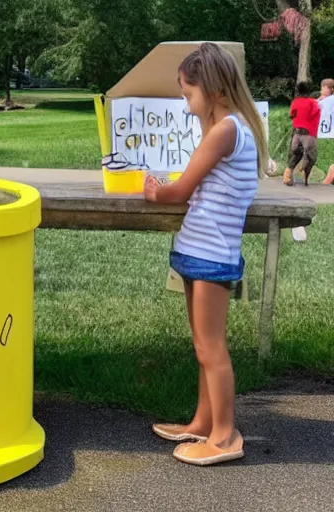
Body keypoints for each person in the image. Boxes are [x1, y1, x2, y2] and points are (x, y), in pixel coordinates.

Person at [144, 43, 268, 466]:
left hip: (212, 255)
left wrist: (155, 190)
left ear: (212, 88)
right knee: (202, 346)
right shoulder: (227, 128)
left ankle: (225, 435)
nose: (185, 103)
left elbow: (179, 190)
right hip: (199, 251)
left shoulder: (226, 130)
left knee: (211, 348)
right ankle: (202, 422)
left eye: (187, 94)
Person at [282, 82, 321, 186]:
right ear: (309, 91)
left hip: (297, 133)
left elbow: (291, 115)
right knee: (312, 156)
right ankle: (305, 175)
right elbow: (315, 113)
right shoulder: (312, 103)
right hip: (308, 134)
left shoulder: (295, 101)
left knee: (296, 153)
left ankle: (288, 173)